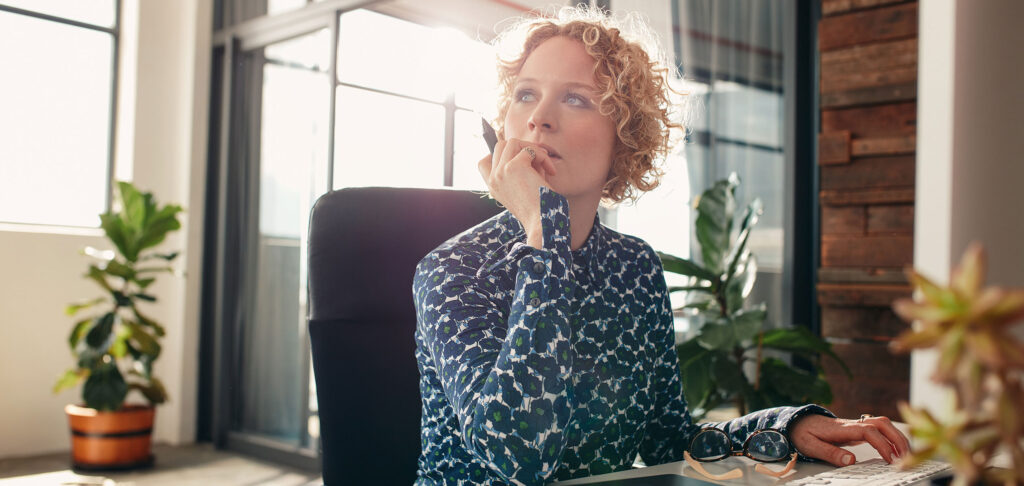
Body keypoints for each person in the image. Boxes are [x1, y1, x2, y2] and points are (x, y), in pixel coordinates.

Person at [412, 6, 910, 485]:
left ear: (624, 139)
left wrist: (785, 428)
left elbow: (669, 439)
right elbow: (518, 456)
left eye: (575, 98)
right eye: (525, 95)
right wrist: (543, 239)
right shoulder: (454, 271)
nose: (538, 118)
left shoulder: (634, 267)